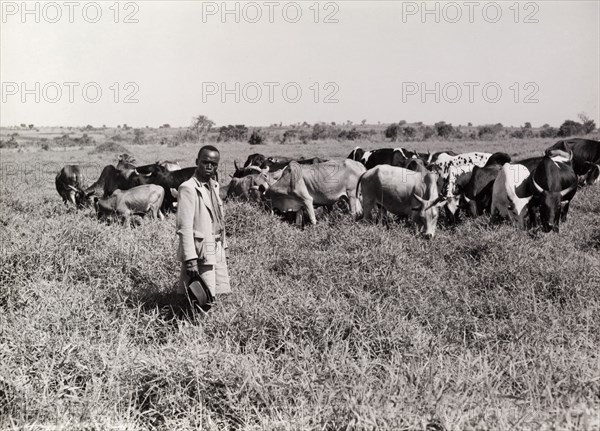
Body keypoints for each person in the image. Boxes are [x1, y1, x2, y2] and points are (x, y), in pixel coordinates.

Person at [176, 145, 231, 303]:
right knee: (202, 295)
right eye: (205, 162)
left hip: (216, 244)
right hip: (201, 248)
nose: (209, 166)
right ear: (197, 162)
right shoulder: (188, 188)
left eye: (214, 164)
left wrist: (224, 246)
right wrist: (190, 259)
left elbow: (218, 218)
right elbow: (184, 228)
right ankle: (193, 324)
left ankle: (205, 323)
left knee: (218, 290)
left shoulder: (214, 186)